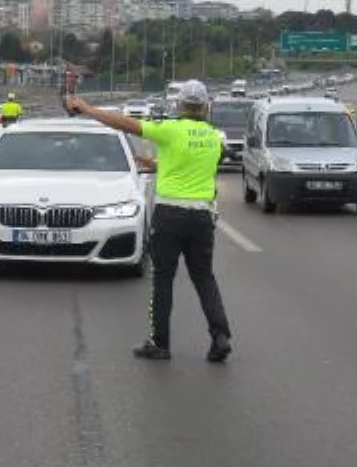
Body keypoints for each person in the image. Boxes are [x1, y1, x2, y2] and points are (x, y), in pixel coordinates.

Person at [66, 80, 232, 363]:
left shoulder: (169, 130)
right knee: (204, 277)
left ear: (179, 105)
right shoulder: (215, 138)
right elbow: (194, 168)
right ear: (205, 107)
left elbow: (123, 123)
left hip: (170, 215)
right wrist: (155, 165)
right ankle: (220, 336)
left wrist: (87, 108)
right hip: (202, 217)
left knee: (163, 279)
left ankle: (160, 343)